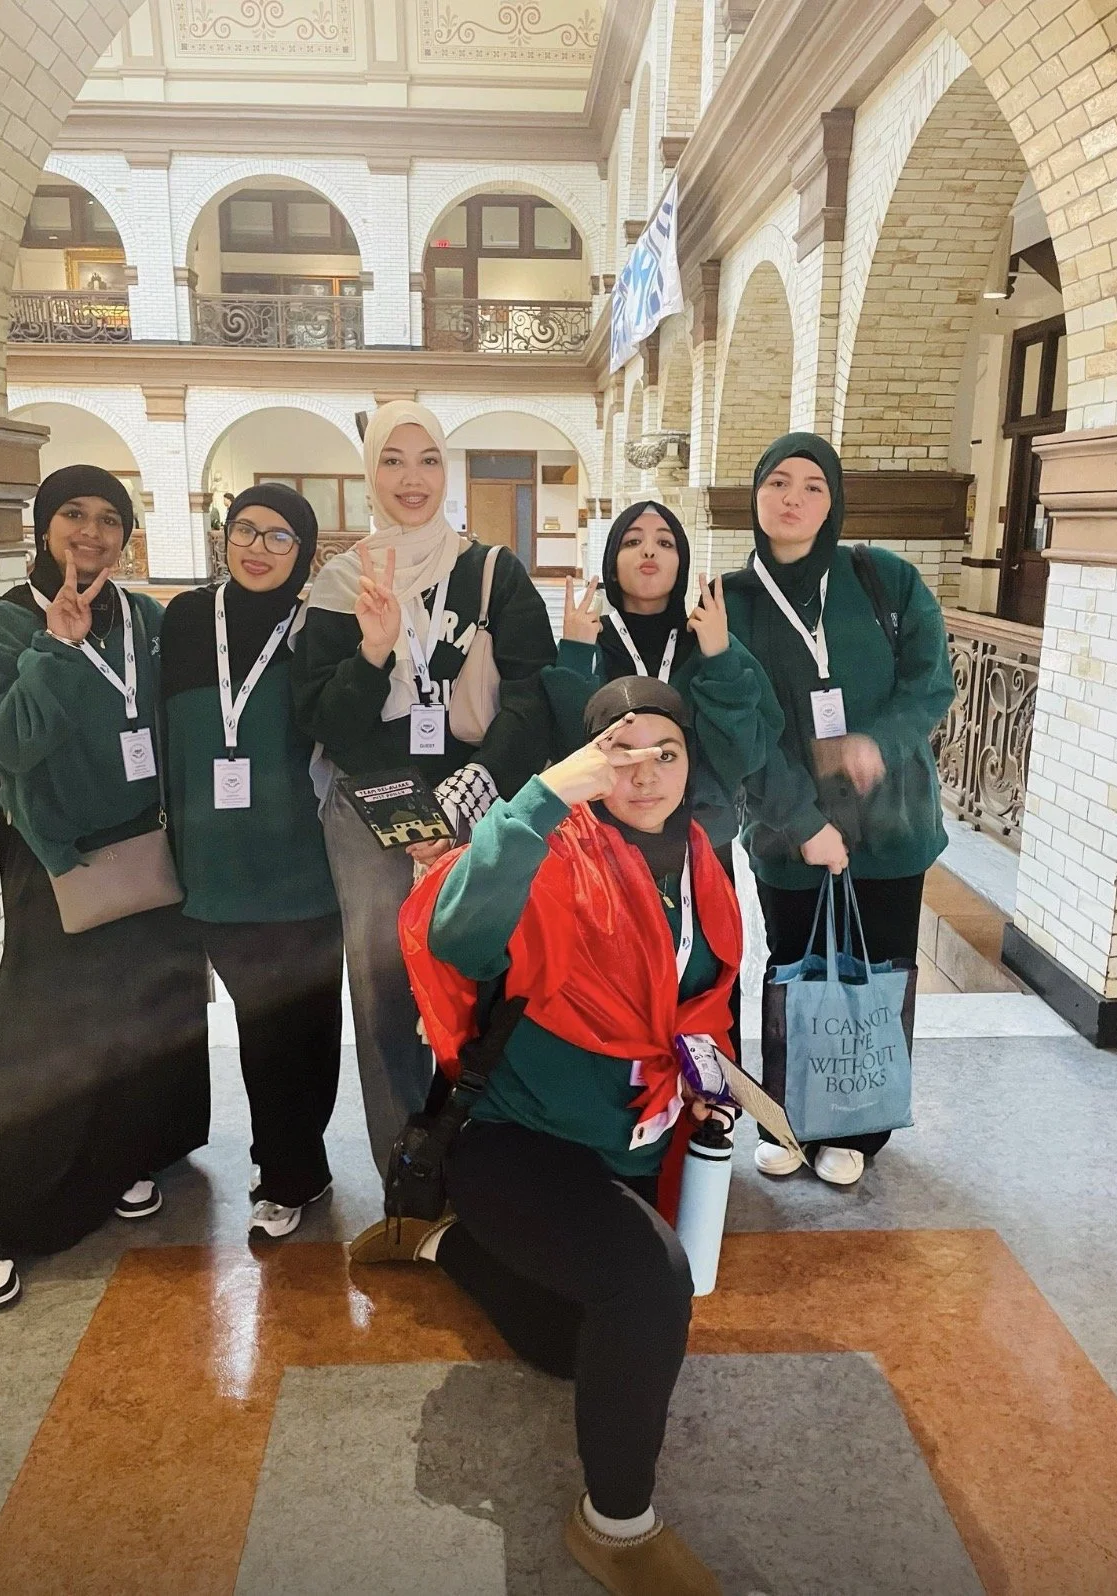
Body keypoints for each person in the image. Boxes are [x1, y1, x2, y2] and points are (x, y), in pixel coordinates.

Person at [352, 677, 740, 1596]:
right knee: (648, 1283)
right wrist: (541, 801)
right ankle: (617, 1526)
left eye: (666, 754)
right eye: (621, 753)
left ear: (691, 764)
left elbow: (703, 1003)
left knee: (576, 1351)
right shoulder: (555, 850)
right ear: (586, 760)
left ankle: (444, 1243)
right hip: (515, 1139)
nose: (644, 774)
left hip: (629, 1142)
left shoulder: (701, 861)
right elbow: (456, 937)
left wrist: (704, 1081)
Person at [0, 465, 210, 1311]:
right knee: (45, 1038)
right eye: (73, 515)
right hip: (59, 861)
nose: (90, 534)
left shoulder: (144, 616)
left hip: (153, 851)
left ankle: (117, 1162)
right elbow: (8, 744)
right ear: (42, 525)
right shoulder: (0, 629)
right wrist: (57, 649)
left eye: (108, 519)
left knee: (141, 1023)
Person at [291, 400, 556, 1177]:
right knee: (383, 989)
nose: (413, 479)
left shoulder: (492, 571)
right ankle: (407, 1167)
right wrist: (374, 654)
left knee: (486, 972)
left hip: (477, 800)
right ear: (369, 473)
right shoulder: (340, 584)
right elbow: (326, 720)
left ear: (448, 469)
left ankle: (491, 1153)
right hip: (371, 803)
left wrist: (465, 794)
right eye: (393, 461)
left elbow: (532, 697)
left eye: (429, 459)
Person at [723, 433, 955, 1187]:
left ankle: (860, 1126)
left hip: (891, 827)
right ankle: (788, 1119)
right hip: (788, 832)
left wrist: (876, 743)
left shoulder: (884, 579)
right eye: (778, 482)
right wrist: (798, 819)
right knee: (794, 973)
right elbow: (741, 725)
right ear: (756, 496)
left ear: (834, 502)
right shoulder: (732, 601)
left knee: (875, 979)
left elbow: (931, 684)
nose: (793, 497)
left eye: (813, 485)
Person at [160, 484, 343, 1243]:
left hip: (306, 863)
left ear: (304, 554)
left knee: (310, 1025)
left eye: (279, 537)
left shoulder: (318, 626)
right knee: (261, 1024)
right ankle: (288, 1166)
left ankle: (301, 1160)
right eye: (245, 531)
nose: (257, 548)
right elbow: (168, 738)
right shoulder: (186, 618)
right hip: (217, 866)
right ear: (223, 537)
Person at [543, 500, 785, 1059]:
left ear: (683, 562)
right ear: (611, 560)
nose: (649, 551)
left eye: (665, 542)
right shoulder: (590, 639)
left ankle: (710, 1121)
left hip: (702, 843)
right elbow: (568, 752)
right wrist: (575, 656)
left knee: (706, 987)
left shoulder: (711, 639)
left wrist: (722, 656)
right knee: (615, 989)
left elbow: (745, 752)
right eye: (632, 541)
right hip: (606, 849)